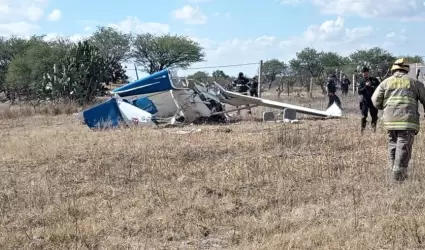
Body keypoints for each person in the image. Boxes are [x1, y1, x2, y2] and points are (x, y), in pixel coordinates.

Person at [371, 58, 425, 181]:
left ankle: (392, 171)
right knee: (403, 147)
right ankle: (398, 178)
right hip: (407, 121)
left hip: (390, 121)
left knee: (393, 145)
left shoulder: (386, 82)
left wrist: (385, 108)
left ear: (393, 69)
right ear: (407, 69)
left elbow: (375, 100)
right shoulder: (414, 82)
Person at [358, 66, 380, 133]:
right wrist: (366, 86)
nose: (365, 75)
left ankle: (373, 131)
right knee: (363, 117)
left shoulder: (375, 80)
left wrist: (372, 87)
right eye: (364, 73)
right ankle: (362, 131)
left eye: (366, 73)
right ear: (362, 74)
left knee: (374, 117)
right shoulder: (361, 81)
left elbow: (379, 89)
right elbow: (359, 92)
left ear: (368, 73)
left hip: (373, 101)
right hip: (365, 101)